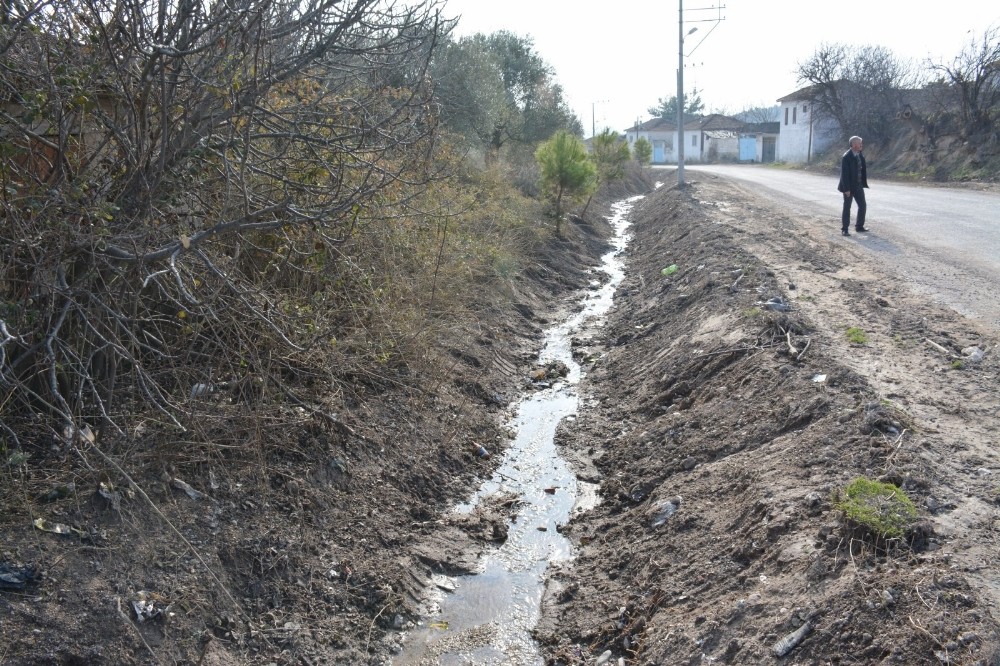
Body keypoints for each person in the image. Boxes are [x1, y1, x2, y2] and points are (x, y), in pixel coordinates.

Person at [837, 136, 868, 236]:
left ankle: (859, 226)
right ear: (854, 145)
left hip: (858, 185)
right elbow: (844, 175)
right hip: (849, 187)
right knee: (847, 207)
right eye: (860, 143)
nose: (861, 145)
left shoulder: (859, 154)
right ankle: (845, 229)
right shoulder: (846, 157)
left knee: (862, 206)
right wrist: (846, 189)